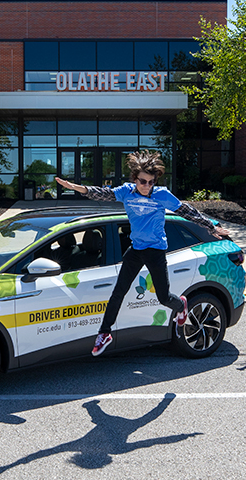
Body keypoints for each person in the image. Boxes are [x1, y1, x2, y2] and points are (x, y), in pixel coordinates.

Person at [55, 150, 229, 357]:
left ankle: (181, 304)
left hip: (155, 250)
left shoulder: (162, 195)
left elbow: (186, 211)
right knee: (118, 291)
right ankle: (104, 333)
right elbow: (103, 193)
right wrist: (77, 188)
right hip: (136, 249)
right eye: (142, 181)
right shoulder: (126, 191)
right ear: (135, 179)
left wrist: (211, 227)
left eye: (150, 182)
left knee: (164, 298)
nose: (146, 186)